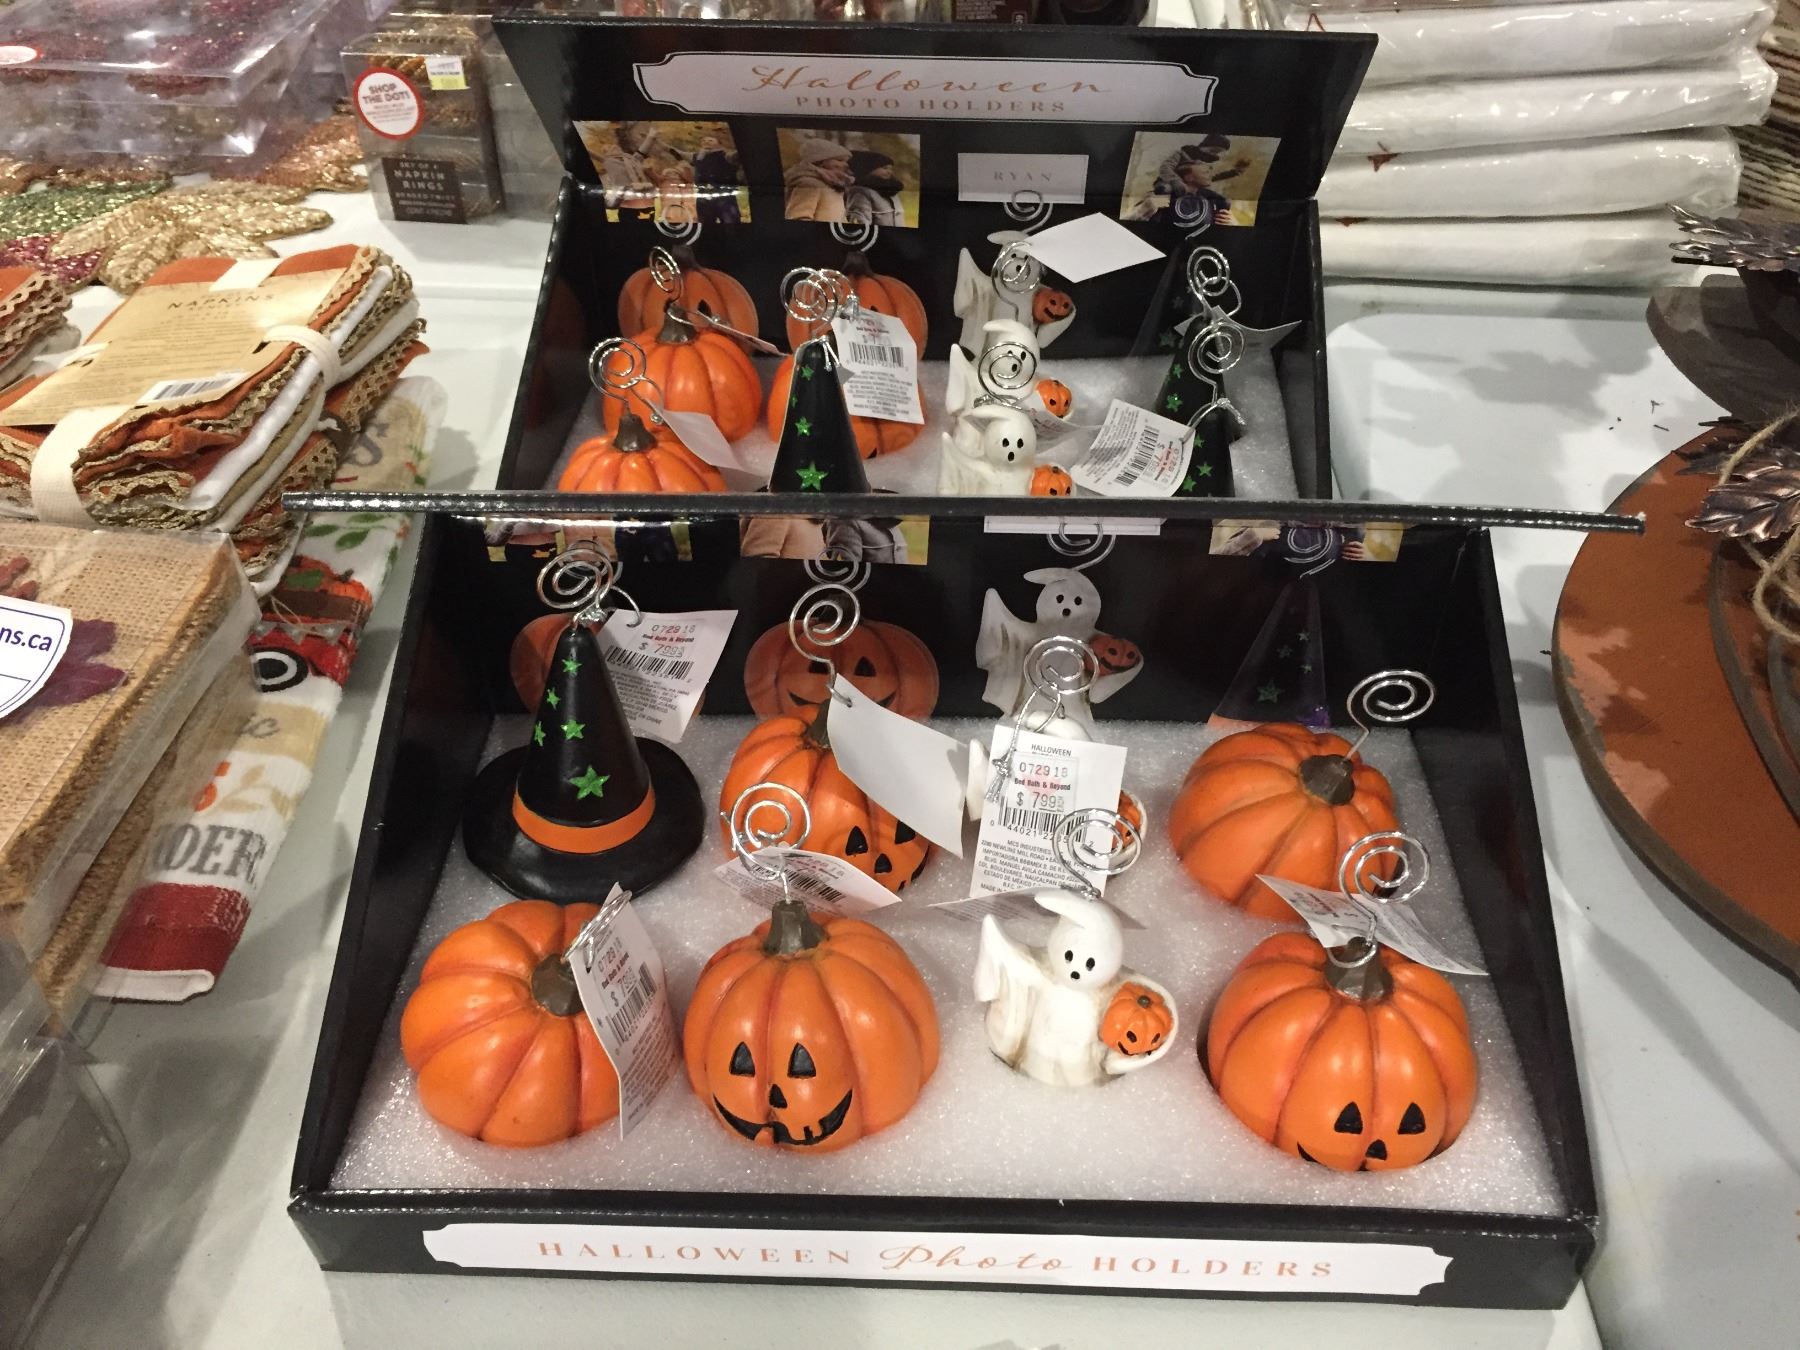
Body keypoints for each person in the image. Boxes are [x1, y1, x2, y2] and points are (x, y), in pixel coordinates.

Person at [598, 122, 662, 216]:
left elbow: (642, 150)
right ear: (606, 154)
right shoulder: (607, 162)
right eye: (607, 149)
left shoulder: (632, 159)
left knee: (655, 204)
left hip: (644, 190)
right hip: (625, 194)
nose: (612, 147)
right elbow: (592, 154)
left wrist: (651, 135)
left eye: (611, 146)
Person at [783, 137, 853, 223]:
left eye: (846, 161)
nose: (846, 164)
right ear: (821, 161)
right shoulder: (809, 183)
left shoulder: (834, 185)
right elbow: (798, 217)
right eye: (839, 160)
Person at [844, 149, 906, 228]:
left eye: (890, 169)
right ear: (869, 169)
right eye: (885, 168)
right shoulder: (860, 191)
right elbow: (859, 220)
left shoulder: (891, 190)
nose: (889, 172)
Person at [691, 133, 743, 227]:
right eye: (703, 140)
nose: (706, 142)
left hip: (725, 198)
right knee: (706, 228)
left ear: (719, 143)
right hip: (704, 198)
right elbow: (675, 152)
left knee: (731, 226)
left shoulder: (727, 156)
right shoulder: (697, 157)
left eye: (710, 140)